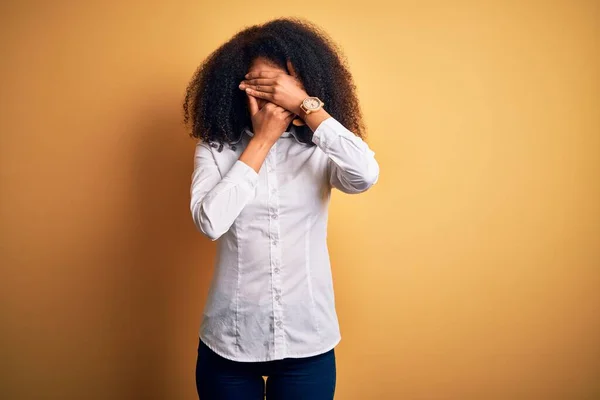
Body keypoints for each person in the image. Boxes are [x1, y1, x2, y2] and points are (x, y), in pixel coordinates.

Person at [183, 16, 380, 400]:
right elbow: (210, 223)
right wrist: (263, 140)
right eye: (263, 87)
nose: (275, 100)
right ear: (235, 89)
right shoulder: (216, 149)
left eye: (283, 88)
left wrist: (307, 108)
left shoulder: (321, 150)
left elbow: (365, 174)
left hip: (308, 341)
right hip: (230, 341)